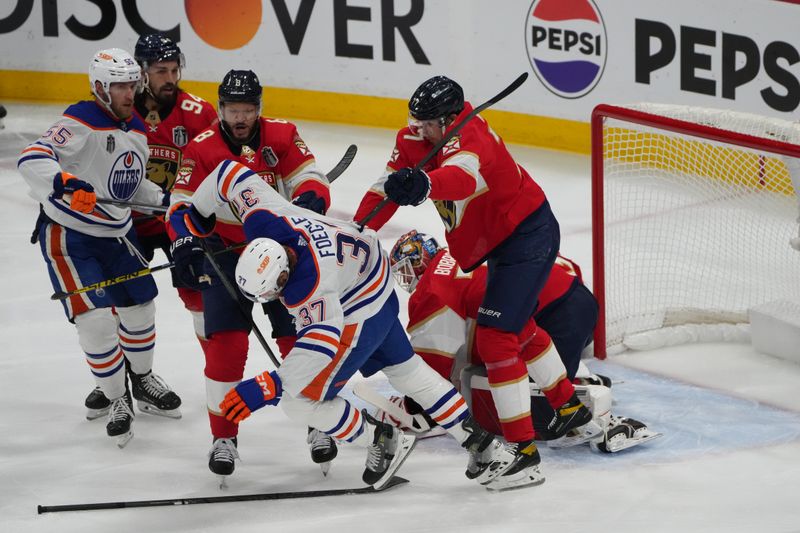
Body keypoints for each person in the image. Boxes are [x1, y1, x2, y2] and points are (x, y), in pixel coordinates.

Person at [169, 160, 544, 491]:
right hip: (373, 281)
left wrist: (270, 385)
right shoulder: (265, 217)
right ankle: (481, 443)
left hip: (356, 307)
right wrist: (194, 216)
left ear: (283, 274)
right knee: (407, 370)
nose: (274, 299)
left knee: (299, 402)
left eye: (274, 291)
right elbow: (227, 174)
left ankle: (381, 437)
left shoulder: (309, 286)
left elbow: (320, 342)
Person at [354, 76, 597, 464]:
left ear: (448, 120)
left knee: (497, 337)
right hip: (502, 243)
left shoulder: (473, 138)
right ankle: (567, 405)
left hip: (528, 234)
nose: (417, 130)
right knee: (514, 328)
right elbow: (385, 187)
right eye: (414, 121)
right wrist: (359, 229)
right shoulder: (415, 139)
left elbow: (461, 179)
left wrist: (422, 185)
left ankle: (522, 450)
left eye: (426, 123)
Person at [167, 69, 334, 479]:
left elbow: (310, 177)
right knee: (226, 346)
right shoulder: (203, 148)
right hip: (224, 253)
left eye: (247, 110)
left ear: (259, 109)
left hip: (281, 249)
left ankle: (320, 423)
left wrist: (311, 199)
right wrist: (185, 240)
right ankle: (223, 437)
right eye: (232, 109)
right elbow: (181, 204)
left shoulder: (281, 135)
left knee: (299, 338)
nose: (240, 118)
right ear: (220, 109)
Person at [17, 48, 181, 447]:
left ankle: (141, 381)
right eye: (119, 86)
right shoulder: (79, 121)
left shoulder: (138, 128)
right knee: (96, 321)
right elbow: (32, 157)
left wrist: (168, 201)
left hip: (118, 234)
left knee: (141, 307)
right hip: (72, 237)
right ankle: (115, 396)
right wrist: (65, 183)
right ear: (99, 88)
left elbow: (128, 185)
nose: (129, 93)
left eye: (131, 84)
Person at [384, 230, 660, 452]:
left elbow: (432, 363)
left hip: (552, 315)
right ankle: (579, 376)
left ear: (418, 263)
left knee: (510, 392)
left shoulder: (432, 288)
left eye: (406, 270)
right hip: (577, 300)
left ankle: (598, 417)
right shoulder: (466, 250)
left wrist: (413, 407)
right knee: (507, 348)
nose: (406, 279)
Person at [82, 33, 218, 419]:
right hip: (127, 223)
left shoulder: (196, 112)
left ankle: (218, 379)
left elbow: (220, 159)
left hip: (178, 220)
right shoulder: (121, 110)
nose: (170, 77)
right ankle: (116, 381)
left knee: (199, 297)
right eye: (161, 71)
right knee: (123, 303)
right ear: (141, 72)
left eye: (174, 69)